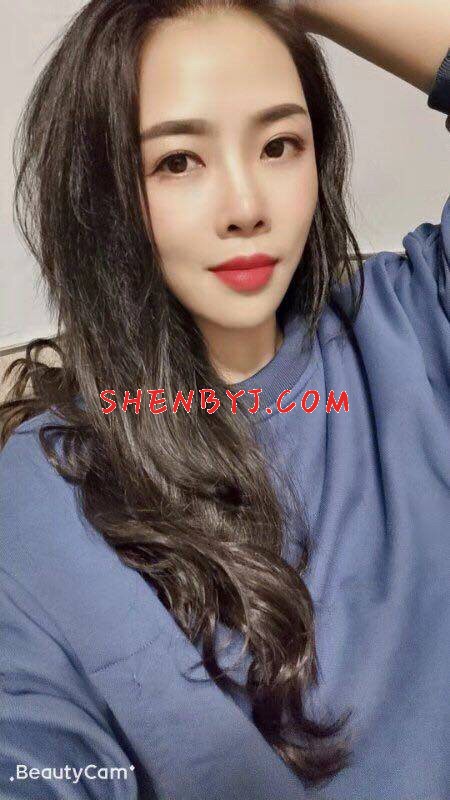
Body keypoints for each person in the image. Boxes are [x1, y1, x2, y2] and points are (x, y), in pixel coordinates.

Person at [0, 1, 448, 798]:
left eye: (279, 145)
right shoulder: (44, 493)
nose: (246, 208)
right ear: (102, 190)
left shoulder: (415, 319)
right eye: (178, 161)